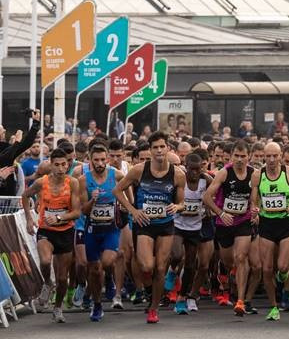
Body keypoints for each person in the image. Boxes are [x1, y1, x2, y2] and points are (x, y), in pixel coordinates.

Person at [113, 131, 186, 324]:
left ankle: (154, 308)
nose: (159, 150)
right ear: (151, 150)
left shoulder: (177, 174)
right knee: (147, 266)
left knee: (161, 268)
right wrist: (133, 210)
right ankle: (149, 288)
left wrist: (176, 206)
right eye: (156, 147)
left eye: (163, 146)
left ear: (168, 148)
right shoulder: (139, 170)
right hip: (144, 224)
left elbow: (182, 203)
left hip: (165, 225)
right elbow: (117, 190)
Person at [22, 148, 82, 323]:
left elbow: (77, 212)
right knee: (46, 261)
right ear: (51, 164)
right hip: (46, 230)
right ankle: (48, 282)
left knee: (63, 278)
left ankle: (57, 308)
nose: (61, 168)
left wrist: (59, 217)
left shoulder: (73, 183)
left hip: (65, 231)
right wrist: (28, 219)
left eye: (64, 164)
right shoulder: (42, 182)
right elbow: (25, 196)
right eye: (57, 165)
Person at [202, 140, 255, 317]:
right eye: (236, 156)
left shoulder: (253, 174)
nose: (240, 160)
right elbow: (207, 197)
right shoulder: (224, 173)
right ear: (231, 156)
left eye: (243, 156)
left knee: (241, 257)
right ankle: (231, 275)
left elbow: (257, 198)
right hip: (224, 223)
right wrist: (220, 213)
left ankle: (240, 301)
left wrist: (256, 210)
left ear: (249, 156)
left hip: (243, 221)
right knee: (229, 261)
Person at [250, 142, 289, 321]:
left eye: (274, 156)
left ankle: (283, 277)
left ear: (280, 156)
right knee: (267, 269)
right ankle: (274, 306)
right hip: (267, 225)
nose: (271, 160)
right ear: (264, 156)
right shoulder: (258, 175)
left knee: (284, 266)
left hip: (286, 224)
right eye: (268, 156)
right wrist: (254, 210)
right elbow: (254, 200)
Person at [78, 144, 125, 321]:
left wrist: (128, 203)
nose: (100, 163)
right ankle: (97, 304)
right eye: (96, 160)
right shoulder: (84, 180)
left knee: (106, 262)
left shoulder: (116, 175)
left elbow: (128, 186)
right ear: (90, 160)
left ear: (107, 159)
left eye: (103, 160)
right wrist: (93, 200)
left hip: (110, 229)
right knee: (94, 270)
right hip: (92, 229)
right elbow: (84, 210)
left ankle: (110, 279)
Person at [170, 150, 213, 315]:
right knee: (175, 255)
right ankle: (172, 272)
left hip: (195, 227)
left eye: (198, 169)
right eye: (191, 169)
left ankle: (182, 299)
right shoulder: (179, 179)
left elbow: (215, 192)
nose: (195, 173)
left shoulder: (206, 180)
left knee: (190, 265)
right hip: (178, 224)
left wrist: (209, 207)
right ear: (185, 167)